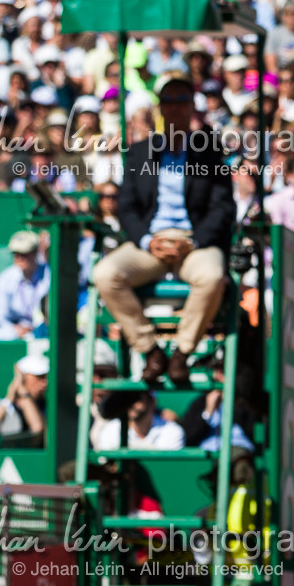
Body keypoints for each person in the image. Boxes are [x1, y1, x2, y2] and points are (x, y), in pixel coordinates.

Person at [92, 77, 234, 389]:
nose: (174, 108)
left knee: (211, 276)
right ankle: (150, 350)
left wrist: (193, 241)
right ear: (160, 108)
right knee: (105, 274)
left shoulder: (209, 151)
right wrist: (147, 240)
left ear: (191, 106)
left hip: (193, 242)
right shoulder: (141, 152)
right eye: (168, 101)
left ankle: (182, 352)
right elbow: (127, 207)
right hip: (151, 243)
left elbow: (223, 207)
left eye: (181, 101)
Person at [0, 353, 48, 450]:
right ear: (23, 377)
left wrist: (24, 394)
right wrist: (8, 400)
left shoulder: (45, 406)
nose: (44, 383)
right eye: (39, 377)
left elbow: (38, 428)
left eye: (45, 377)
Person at [0, 231, 50, 336]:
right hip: (15, 331)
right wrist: (14, 329)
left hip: (43, 329)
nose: (19, 258)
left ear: (35, 253)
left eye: (24, 254)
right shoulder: (5, 278)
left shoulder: (48, 274)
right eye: (15, 254)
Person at [93, 391, 188, 451]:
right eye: (127, 399)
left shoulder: (172, 431)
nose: (131, 403)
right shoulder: (110, 430)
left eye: (136, 398)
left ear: (152, 401)